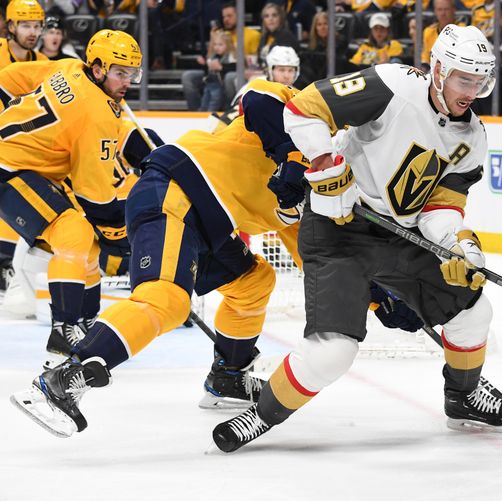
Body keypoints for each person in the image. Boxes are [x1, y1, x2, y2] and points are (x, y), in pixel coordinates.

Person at [213, 24, 502, 454]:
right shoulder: (394, 85)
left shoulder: (472, 139)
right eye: (463, 79)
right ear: (437, 70)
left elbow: (440, 207)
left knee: (473, 312)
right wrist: (326, 165)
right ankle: (261, 414)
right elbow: (303, 109)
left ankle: (463, 397)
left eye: (479, 81)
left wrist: (458, 246)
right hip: (338, 230)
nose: (471, 90)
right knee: (331, 353)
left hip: (401, 236)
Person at [9, 75, 311, 436]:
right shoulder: (301, 114)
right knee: (166, 299)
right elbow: (258, 95)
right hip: (177, 189)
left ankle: (227, 378)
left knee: (254, 280)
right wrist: (291, 157)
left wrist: (382, 298)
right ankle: (61, 380)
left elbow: (318, 256)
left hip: (210, 225)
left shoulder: (323, 187)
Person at [0, 30, 142, 362]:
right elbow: (94, 197)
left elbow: (7, 79)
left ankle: (88, 324)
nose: (128, 82)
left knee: (87, 243)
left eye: (132, 73)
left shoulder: (67, 67)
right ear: (98, 69)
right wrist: (118, 235)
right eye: (120, 73)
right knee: (76, 233)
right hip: (8, 169)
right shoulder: (97, 114)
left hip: (26, 169)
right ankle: (63, 328)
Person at [0, 0, 47, 295]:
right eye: (26, 25)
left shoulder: (42, 62)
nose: (32, 32)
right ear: (11, 26)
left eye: (37, 25)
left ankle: (7, 264)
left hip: (20, 147)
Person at [199, 29, 236, 112]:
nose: (216, 47)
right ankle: (202, 113)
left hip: (222, 86)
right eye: (215, 44)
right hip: (210, 83)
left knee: (215, 100)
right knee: (205, 99)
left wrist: (221, 67)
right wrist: (204, 64)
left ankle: (210, 114)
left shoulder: (231, 57)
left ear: (228, 45)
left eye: (220, 45)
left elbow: (233, 68)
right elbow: (207, 70)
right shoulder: (213, 56)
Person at [256, 2, 300, 67]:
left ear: (280, 18)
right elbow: (260, 60)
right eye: (266, 16)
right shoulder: (264, 37)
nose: (270, 19)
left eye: (274, 15)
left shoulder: (286, 36)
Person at [421, 0, 461, 68]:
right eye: (439, 9)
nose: (443, 13)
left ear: (453, 10)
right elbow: (425, 59)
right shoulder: (429, 32)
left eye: (446, 9)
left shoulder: (462, 30)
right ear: (435, 12)